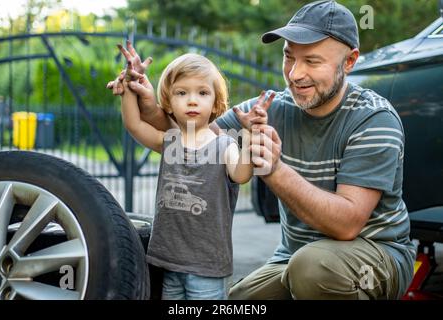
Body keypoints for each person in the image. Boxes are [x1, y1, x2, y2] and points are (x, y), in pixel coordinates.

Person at [108, 0, 415, 299]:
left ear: (349, 61)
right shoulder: (273, 107)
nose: (294, 74)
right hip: (293, 257)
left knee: (312, 269)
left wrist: (274, 169)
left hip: (374, 255)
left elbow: (346, 224)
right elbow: (193, 136)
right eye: (289, 57)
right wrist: (146, 101)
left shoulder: (373, 119)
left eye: (312, 61)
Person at [118, 51, 274, 300]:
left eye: (202, 93)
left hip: (208, 268)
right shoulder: (169, 141)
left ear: (215, 102)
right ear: (168, 102)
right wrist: (127, 86)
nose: (192, 101)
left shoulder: (225, 145)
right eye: (182, 93)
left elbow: (242, 174)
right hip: (169, 262)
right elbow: (134, 124)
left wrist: (252, 135)